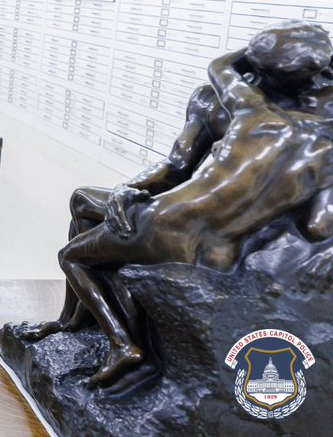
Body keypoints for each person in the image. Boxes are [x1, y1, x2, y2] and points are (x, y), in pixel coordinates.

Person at [17, 20, 333, 389]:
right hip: (220, 251)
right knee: (84, 203)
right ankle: (75, 321)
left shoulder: (252, 112)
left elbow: (220, 67)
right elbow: (318, 226)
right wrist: (128, 187)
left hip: (166, 221)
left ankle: (124, 345)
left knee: (73, 255)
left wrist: (256, 52)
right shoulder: (322, 148)